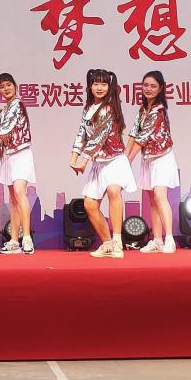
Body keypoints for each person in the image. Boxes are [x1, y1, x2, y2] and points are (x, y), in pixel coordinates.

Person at [70, 69, 136, 259]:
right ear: (90, 86)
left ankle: (117, 241)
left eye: (104, 84)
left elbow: (98, 138)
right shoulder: (88, 109)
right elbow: (82, 135)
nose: (99, 88)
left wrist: (83, 161)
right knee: (90, 205)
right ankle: (107, 243)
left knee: (114, 191)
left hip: (115, 160)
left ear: (110, 86)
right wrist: (73, 159)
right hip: (98, 163)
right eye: (96, 84)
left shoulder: (109, 109)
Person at [0, 73, 36, 255]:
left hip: (21, 154)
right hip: (8, 157)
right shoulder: (1, 112)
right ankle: (14, 241)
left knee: (19, 192)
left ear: (15, 86)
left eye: (9, 85)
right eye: (2, 87)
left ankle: (27, 238)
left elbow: (5, 129)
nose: (6, 89)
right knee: (14, 200)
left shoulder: (18, 104)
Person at [126, 71, 179, 254]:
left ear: (160, 89)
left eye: (153, 86)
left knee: (159, 196)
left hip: (162, 158)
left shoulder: (158, 110)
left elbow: (142, 138)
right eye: (146, 85)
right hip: (148, 159)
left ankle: (169, 239)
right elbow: (134, 133)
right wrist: (125, 156)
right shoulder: (143, 110)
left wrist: (128, 160)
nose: (148, 89)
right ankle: (157, 240)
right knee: (152, 201)